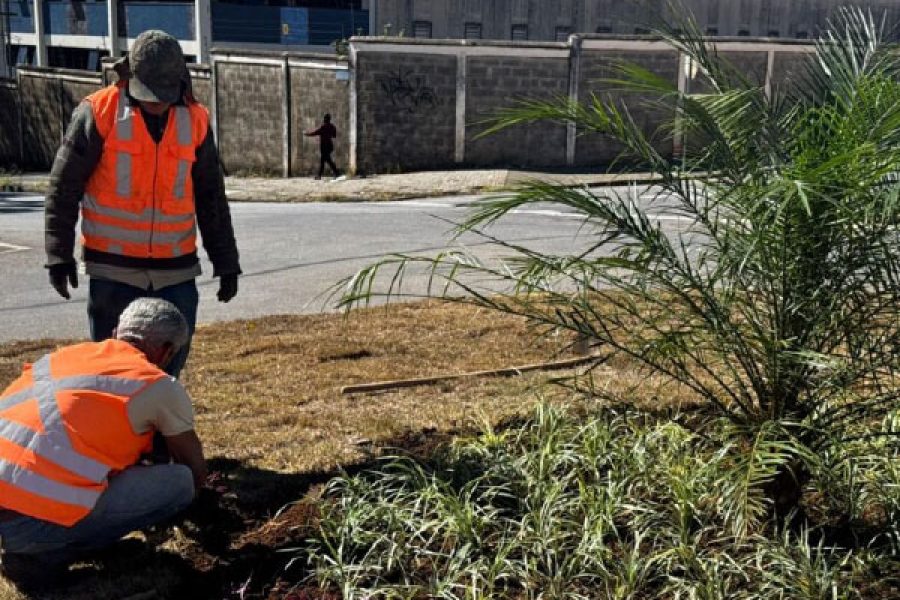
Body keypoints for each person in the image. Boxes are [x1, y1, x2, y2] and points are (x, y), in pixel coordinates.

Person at [44, 29, 241, 378]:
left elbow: (211, 195)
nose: (158, 103)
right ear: (131, 76)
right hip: (112, 272)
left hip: (176, 272)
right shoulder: (98, 112)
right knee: (113, 376)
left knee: (167, 376)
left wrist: (226, 261)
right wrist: (58, 255)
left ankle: (160, 433)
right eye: (149, 95)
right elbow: (63, 187)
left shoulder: (196, 120)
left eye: (164, 95)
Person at [0, 298, 206, 587]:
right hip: (29, 524)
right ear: (166, 351)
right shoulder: (155, 384)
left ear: (115, 334)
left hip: (7, 499)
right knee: (179, 482)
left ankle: (50, 541)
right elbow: (192, 466)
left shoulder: (64, 357)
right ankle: (43, 554)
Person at [305, 113, 341, 179]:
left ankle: (334, 173)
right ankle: (335, 173)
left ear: (326, 119)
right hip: (329, 146)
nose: (324, 120)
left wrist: (307, 134)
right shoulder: (332, 126)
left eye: (325, 118)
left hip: (324, 147)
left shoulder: (323, 127)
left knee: (325, 161)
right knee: (326, 160)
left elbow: (315, 133)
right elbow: (334, 135)